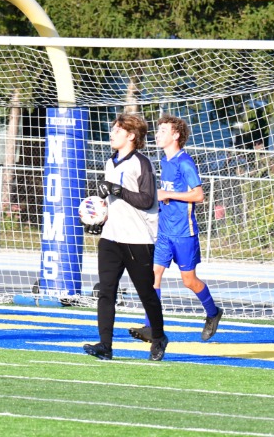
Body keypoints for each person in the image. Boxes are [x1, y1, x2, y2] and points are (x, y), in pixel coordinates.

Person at [129, 114, 223, 343]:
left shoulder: (184, 162)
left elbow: (198, 195)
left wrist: (168, 194)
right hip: (164, 231)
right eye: (158, 130)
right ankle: (151, 328)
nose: (157, 135)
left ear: (176, 135)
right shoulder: (164, 161)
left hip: (184, 232)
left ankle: (213, 313)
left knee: (189, 281)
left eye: (163, 131)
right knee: (153, 275)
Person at [82, 112, 169, 361]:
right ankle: (105, 346)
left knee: (146, 293)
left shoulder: (141, 163)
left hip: (138, 239)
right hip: (111, 238)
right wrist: (99, 220)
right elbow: (111, 202)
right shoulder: (110, 162)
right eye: (113, 130)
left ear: (131, 136)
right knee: (106, 291)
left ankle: (159, 336)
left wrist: (117, 190)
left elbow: (147, 200)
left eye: (117, 131)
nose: (112, 134)